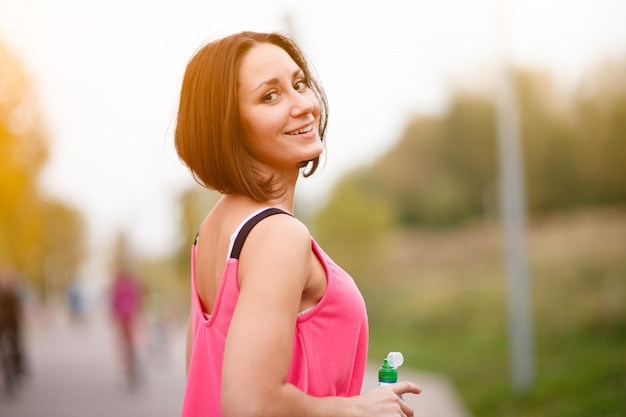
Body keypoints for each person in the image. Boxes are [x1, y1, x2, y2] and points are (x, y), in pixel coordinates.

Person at [175, 31, 421, 417]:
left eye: (299, 83)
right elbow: (251, 403)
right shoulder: (278, 235)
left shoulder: (210, 231)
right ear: (228, 125)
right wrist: (356, 410)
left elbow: (205, 380)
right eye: (269, 96)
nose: (303, 104)